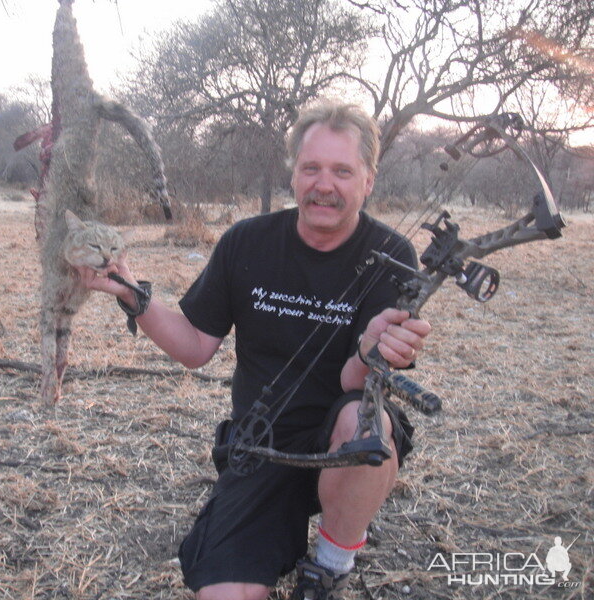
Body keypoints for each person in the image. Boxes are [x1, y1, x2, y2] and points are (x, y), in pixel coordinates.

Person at [77, 98, 431, 600]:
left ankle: (331, 562)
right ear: (294, 175)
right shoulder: (247, 241)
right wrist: (134, 295)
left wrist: (375, 349)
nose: (323, 185)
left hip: (344, 437)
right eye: (311, 168)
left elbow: (355, 385)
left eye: (341, 171)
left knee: (363, 422)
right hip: (262, 444)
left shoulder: (394, 253)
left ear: (368, 180)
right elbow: (196, 346)